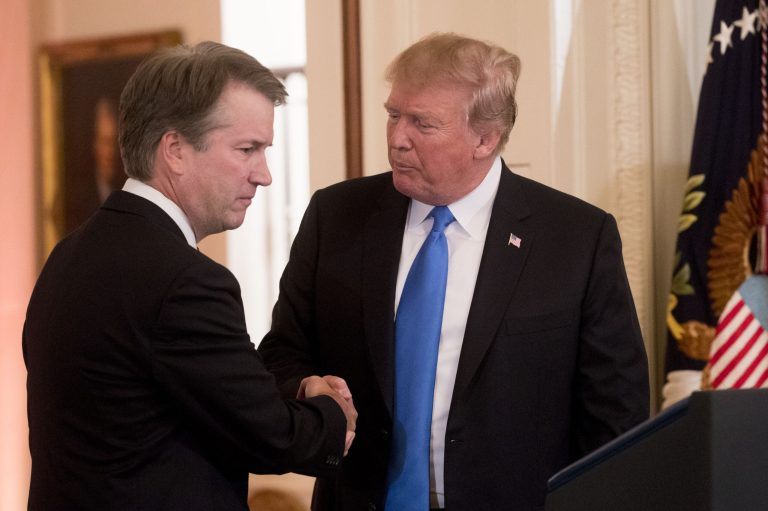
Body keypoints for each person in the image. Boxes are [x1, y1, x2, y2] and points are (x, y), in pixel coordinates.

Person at [258, 32, 649, 510]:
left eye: (422, 123)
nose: (397, 138)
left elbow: (616, 416)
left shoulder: (575, 238)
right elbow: (281, 353)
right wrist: (307, 386)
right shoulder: (337, 216)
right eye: (393, 114)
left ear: (485, 138)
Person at [23, 41, 356, 511]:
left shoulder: (69, 253)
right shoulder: (185, 281)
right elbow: (274, 438)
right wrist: (332, 412)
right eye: (247, 149)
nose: (264, 175)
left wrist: (296, 388)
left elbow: (200, 386)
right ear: (175, 149)